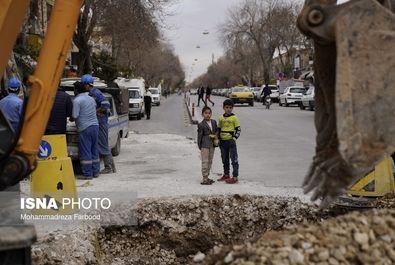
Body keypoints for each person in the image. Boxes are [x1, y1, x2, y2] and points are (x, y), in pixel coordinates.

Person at [81, 74, 116, 174]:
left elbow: (106, 104)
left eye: (84, 85)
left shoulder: (95, 93)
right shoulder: (91, 93)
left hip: (101, 122)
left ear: (88, 85)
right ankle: (111, 167)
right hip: (98, 123)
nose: (84, 87)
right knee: (102, 144)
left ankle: (108, 167)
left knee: (103, 144)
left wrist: (96, 111)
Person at [72, 80, 99, 180]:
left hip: (84, 127)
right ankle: (96, 171)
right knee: (94, 149)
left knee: (86, 150)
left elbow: (75, 115)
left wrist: (71, 118)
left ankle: (88, 174)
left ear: (76, 90)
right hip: (95, 126)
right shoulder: (91, 99)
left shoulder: (77, 100)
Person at [217, 99, 241, 184]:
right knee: (225, 159)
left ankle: (235, 177)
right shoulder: (220, 118)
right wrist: (218, 139)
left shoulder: (234, 118)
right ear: (223, 108)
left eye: (230, 108)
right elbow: (218, 130)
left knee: (234, 159)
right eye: (227, 107)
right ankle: (226, 174)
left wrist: (234, 138)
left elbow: (238, 130)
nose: (228, 109)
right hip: (223, 142)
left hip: (231, 142)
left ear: (232, 108)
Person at [197, 106, 218, 185]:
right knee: (205, 162)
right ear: (202, 114)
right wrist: (200, 146)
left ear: (211, 114)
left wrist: (215, 136)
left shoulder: (214, 122)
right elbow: (199, 136)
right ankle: (204, 178)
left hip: (212, 145)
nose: (208, 115)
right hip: (204, 145)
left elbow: (216, 130)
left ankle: (207, 176)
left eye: (209, 113)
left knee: (210, 161)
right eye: (206, 113)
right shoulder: (201, 124)